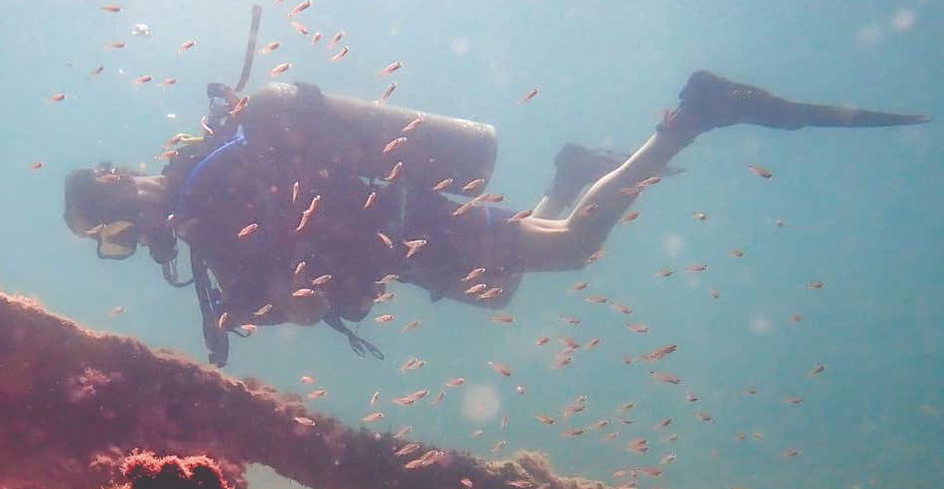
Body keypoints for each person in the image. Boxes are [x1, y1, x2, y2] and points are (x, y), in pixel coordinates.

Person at [63, 71, 927, 367]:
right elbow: (291, 252)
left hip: (406, 227)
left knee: (576, 249)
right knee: (507, 295)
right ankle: (572, 173)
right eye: (110, 245)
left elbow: (298, 248)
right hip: (403, 239)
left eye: (110, 227)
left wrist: (286, 299)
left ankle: (693, 116)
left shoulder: (204, 186)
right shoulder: (200, 194)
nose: (127, 240)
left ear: (120, 187)